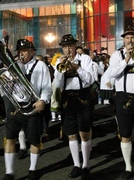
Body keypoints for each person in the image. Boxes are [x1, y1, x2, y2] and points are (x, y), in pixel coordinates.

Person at [1, 39, 52, 180]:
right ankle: (9, 172)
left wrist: (43, 100)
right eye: (20, 51)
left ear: (32, 51)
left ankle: (32, 169)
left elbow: (47, 87)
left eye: (25, 51)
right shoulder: (13, 66)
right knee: (10, 139)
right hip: (15, 106)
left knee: (35, 140)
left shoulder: (41, 65)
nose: (21, 54)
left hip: (32, 105)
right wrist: (8, 83)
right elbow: (3, 88)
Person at [54, 34, 95, 180]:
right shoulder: (59, 62)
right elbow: (58, 84)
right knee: (71, 134)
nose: (67, 50)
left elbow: (90, 80)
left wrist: (77, 68)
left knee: (84, 133)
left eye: (70, 46)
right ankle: (77, 165)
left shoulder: (85, 59)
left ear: (75, 46)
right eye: (65, 47)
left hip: (82, 97)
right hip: (68, 100)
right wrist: (60, 69)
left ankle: (86, 165)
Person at [109, 26, 134, 179]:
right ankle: (128, 167)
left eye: (133, 37)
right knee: (125, 134)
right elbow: (113, 73)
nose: (130, 41)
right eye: (128, 38)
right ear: (123, 40)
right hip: (123, 99)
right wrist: (127, 59)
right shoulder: (117, 55)